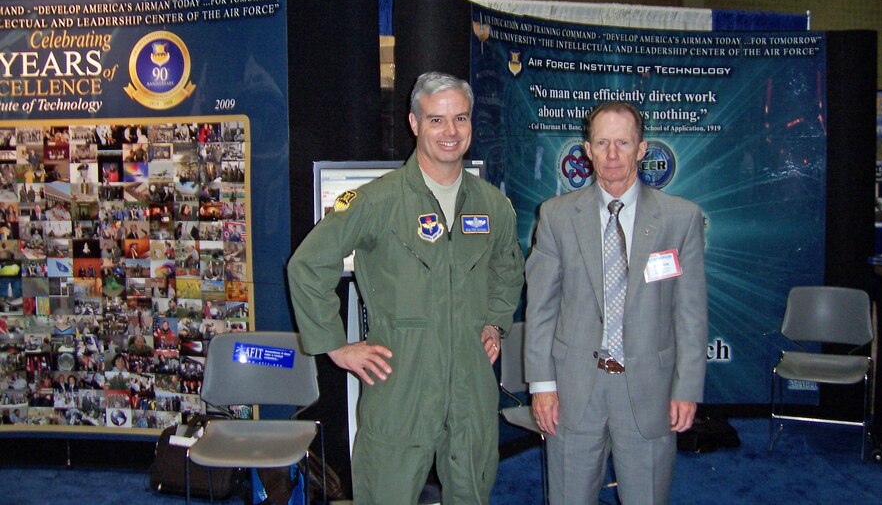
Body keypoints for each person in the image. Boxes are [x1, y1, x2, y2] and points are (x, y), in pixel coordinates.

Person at [287, 72, 525, 505]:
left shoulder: (494, 206)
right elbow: (307, 265)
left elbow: (508, 268)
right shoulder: (378, 201)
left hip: (471, 384)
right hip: (401, 384)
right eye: (436, 120)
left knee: (471, 493)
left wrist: (495, 322)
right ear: (414, 124)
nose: (450, 132)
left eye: (460, 118)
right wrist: (336, 346)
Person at [524, 102, 708, 505]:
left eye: (622, 143)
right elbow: (540, 309)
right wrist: (542, 385)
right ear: (586, 149)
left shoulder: (681, 219)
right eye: (602, 143)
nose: (611, 155)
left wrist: (687, 388)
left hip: (650, 389)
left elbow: (691, 314)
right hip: (572, 389)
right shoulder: (555, 217)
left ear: (642, 148)